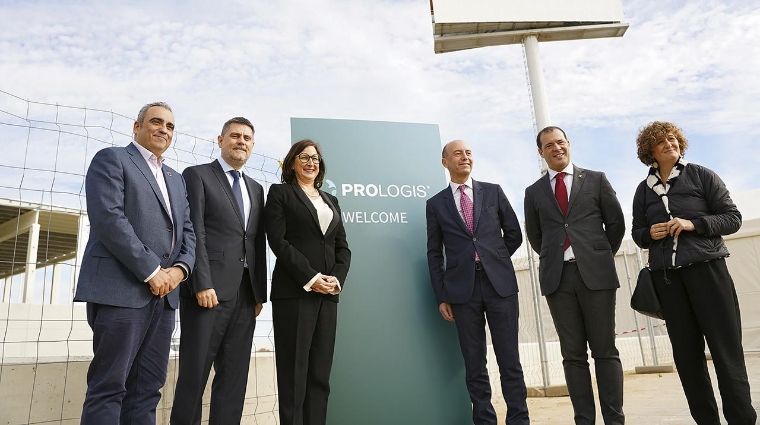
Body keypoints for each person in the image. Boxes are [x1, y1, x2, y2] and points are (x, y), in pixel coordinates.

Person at [74, 101, 196, 424]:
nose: (164, 130)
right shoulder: (112, 159)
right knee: (108, 387)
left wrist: (179, 271)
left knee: (147, 392)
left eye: (170, 126)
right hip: (122, 292)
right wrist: (152, 271)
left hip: (165, 299)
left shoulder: (176, 178)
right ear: (137, 126)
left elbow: (188, 232)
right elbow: (110, 220)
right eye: (156, 122)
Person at [631, 121, 755, 424]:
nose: (669, 144)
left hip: (708, 273)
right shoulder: (642, 190)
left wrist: (693, 224)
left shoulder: (702, 175)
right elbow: (637, 233)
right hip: (668, 280)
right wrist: (651, 232)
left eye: (672, 139)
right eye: (660, 142)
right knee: (687, 359)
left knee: (726, 354)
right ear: (650, 151)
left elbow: (732, 218)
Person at [524, 126, 625, 425]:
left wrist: (595, 255)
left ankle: (614, 420)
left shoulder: (596, 180)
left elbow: (616, 225)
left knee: (605, 351)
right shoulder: (533, 192)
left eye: (561, 142)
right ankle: (584, 420)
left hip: (596, 276)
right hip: (558, 280)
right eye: (549, 145)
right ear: (540, 152)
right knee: (573, 356)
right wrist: (560, 257)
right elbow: (536, 236)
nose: (556, 148)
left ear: (568, 145)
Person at [170, 117, 267, 424]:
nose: (241, 141)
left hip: (245, 295)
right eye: (235, 136)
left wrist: (259, 294)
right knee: (193, 377)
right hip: (207, 293)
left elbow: (256, 241)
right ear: (221, 140)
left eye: (247, 138)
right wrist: (200, 282)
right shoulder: (197, 175)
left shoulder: (256, 188)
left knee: (233, 381)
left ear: (252, 145)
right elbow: (193, 229)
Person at [426, 139, 529, 425]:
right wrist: (441, 296)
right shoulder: (435, 204)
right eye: (457, 153)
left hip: (500, 287)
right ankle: (484, 421)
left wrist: (492, 259)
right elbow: (434, 254)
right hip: (462, 292)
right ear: (445, 162)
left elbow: (514, 234)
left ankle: (519, 420)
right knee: (474, 364)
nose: (465, 157)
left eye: (468, 152)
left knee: (510, 360)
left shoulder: (493, 192)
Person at [265, 139, 351, 425]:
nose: (311, 162)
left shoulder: (331, 201)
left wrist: (334, 279)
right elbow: (278, 240)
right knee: (293, 375)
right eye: (304, 157)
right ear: (292, 163)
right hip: (295, 293)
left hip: (328, 296)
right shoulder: (280, 193)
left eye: (315, 158)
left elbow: (342, 248)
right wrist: (311, 278)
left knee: (319, 376)